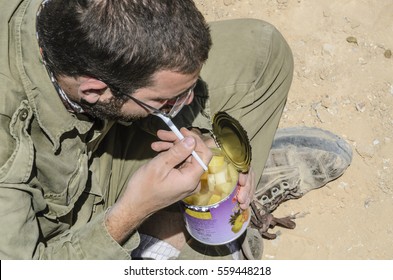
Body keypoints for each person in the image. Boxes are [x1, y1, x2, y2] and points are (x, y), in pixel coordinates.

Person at [0, 0, 352, 260]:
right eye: (167, 102)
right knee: (212, 259)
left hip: (105, 129)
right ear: (94, 90)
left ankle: (211, 199)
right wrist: (132, 212)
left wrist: (207, 141)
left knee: (261, 51)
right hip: (55, 229)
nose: (185, 104)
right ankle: (168, 244)